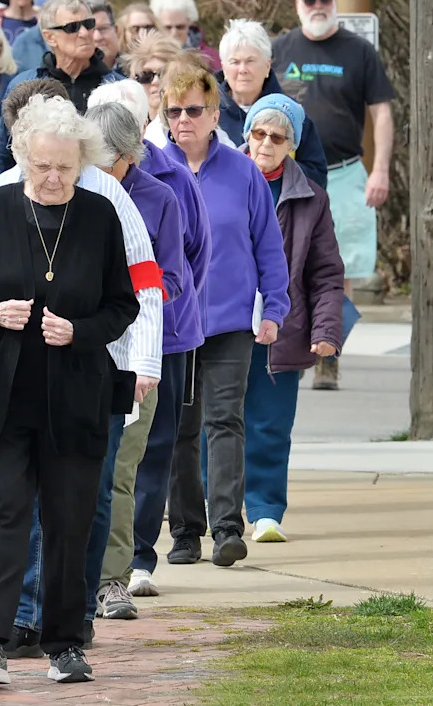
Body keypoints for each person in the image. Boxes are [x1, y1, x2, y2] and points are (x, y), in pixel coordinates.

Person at [0, 78, 163, 659]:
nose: (53, 178)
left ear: (82, 162)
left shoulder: (102, 212)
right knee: (0, 520)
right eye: (42, 166)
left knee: (69, 523)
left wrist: (81, 332)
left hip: (77, 394)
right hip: (4, 395)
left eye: (65, 167)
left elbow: (125, 302)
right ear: (22, 158)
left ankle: (67, 642)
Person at [162, 63, 290, 568]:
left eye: (194, 110)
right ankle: (186, 531)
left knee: (225, 421)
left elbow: (269, 248)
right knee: (178, 428)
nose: (184, 120)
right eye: (174, 111)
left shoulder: (243, 173)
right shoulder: (154, 170)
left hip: (230, 321)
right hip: (174, 324)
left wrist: (274, 308)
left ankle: (228, 530)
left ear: (215, 114)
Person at [91, 81, 211, 600]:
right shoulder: (76, 189)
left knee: (135, 460)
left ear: (127, 154)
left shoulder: (161, 195)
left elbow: (181, 271)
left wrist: (133, 292)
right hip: (85, 345)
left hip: (146, 345)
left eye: (103, 160)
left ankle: (128, 566)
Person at [272, 0, 395, 390]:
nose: (318, 6)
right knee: (285, 263)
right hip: (290, 175)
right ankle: (281, 347)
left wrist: (380, 169)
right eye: (310, 0)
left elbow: (381, 111)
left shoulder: (358, 51)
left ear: (334, 2)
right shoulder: (280, 48)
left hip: (343, 174)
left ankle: (328, 354)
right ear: (298, 4)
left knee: (335, 269)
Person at [238, 94, 343, 542]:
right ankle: (210, 508)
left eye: (277, 136)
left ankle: (264, 511)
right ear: (246, 135)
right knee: (214, 422)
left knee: (270, 424)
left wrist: (325, 331)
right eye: (258, 133)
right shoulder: (218, 179)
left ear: (292, 144)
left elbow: (325, 274)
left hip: (283, 329)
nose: (265, 143)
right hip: (221, 323)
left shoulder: (310, 197)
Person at [0, 0, 124, 176]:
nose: (84, 33)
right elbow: (4, 157)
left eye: (88, 24)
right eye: (72, 27)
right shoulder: (25, 86)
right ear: (50, 37)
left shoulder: (117, 86)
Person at [217, 18, 327, 188]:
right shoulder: (206, 111)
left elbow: (317, 176)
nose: (243, 69)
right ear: (224, 68)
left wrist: (277, 170)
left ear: (267, 66)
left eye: (250, 61)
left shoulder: (292, 113)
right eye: (235, 62)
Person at [127, 35, 235, 150]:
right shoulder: (131, 128)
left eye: (162, 74)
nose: (156, 81)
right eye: (146, 76)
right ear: (134, 80)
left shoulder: (211, 131)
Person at [148, 0, 220, 71]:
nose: (174, 32)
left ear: (189, 22)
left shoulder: (210, 57)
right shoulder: (148, 57)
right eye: (168, 27)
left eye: (180, 27)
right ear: (158, 25)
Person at [10, 0, 68, 74]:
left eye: (63, 11)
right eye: (50, 12)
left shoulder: (78, 36)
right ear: (37, 12)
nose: (57, 18)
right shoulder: (23, 44)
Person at [87, 0, 122, 72]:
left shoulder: (136, 72)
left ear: (116, 30)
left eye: (103, 29)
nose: (97, 37)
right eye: (90, 31)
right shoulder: (72, 79)